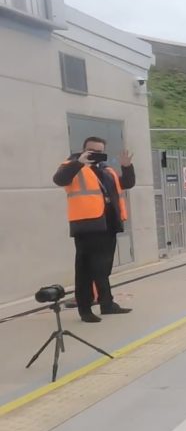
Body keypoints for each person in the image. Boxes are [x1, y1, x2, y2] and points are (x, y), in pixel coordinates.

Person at [53, 137, 135, 323]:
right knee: (85, 270)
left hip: (109, 225)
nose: (95, 154)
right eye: (91, 150)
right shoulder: (72, 166)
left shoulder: (106, 170)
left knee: (103, 269)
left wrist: (127, 167)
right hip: (87, 226)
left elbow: (127, 184)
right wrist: (78, 163)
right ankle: (85, 308)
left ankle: (107, 304)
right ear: (83, 150)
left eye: (99, 151)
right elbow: (59, 179)